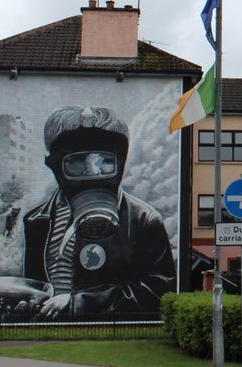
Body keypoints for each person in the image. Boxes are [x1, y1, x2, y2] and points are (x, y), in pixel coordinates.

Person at [22, 105, 175, 319]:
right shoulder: (37, 220)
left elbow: (158, 290)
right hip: (46, 334)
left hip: (109, 334)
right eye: (76, 162)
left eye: (105, 162)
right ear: (54, 165)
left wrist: (79, 303)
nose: (93, 173)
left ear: (120, 164)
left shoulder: (143, 220)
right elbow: (34, 284)